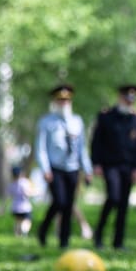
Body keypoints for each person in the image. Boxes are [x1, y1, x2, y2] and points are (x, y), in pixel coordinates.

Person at [35, 83, 93, 249]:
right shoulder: (46, 122)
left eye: (67, 101)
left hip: (72, 168)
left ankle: (64, 240)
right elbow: (41, 148)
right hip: (55, 168)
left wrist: (87, 169)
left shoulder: (77, 121)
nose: (64, 104)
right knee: (60, 201)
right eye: (60, 101)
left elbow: (82, 148)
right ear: (55, 102)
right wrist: (45, 169)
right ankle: (44, 229)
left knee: (68, 205)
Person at [90, 84, 136, 250]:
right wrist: (96, 163)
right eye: (127, 98)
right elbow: (96, 142)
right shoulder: (106, 116)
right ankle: (99, 234)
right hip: (110, 165)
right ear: (120, 97)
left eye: (132, 99)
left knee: (123, 205)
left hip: (128, 167)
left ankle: (118, 242)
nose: (130, 102)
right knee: (113, 197)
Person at [5, 165, 37, 236]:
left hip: (15, 207)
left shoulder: (11, 184)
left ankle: (17, 235)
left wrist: (3, 208)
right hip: (25, 207)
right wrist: (35, 193)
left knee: (17, 221)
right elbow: (27, 193)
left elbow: (7, 197)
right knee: (27, 221)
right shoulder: (24, 183)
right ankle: (24, 231)